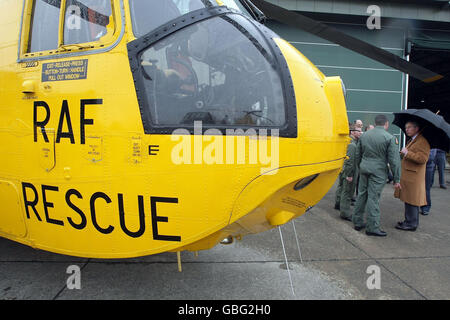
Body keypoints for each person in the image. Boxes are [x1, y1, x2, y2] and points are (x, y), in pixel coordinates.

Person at [352, 114, 401, 236]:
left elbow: (358, 154)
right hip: (378, 171)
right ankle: (372, 227)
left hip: (364, 168)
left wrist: (361, 166)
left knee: (362, 194)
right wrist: (396, 179)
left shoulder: (364, 135)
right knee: (373, 198)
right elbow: (394, 161)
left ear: (376, 122)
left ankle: (357, 222)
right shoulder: (389, 138)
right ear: (386, 124)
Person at [395, 121, 430, 231]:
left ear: (416, 128)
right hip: (409, 176)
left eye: (409, 127)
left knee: (412, 201)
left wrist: (407, 153)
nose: (407, 130)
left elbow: (423, 159)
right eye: (406, 127)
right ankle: (408, 221)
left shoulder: (422, 141)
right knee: (408, 199)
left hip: (414, 177)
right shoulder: (414, 139)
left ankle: (412, 224)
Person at [337, 124, 362, 221]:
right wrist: (349, 175)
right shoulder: (352, 144)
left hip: (347, 169)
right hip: (350, 170)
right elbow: (349, 161)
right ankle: (345, 213)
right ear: (352, 132)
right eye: (358, 131)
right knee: (347, 192)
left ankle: (339, 205)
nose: (360, 133)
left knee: (343, 189)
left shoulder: (352, 142)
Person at [420, 149, 437, 215]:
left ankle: (426, 207)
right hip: (419, 167)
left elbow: (430, 157)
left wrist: (418, 156)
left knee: (426, 189)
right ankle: (418, 204)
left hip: (428, 168)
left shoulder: (432, 143)